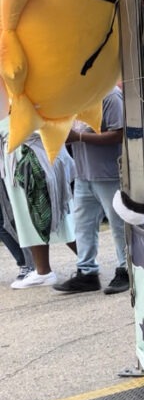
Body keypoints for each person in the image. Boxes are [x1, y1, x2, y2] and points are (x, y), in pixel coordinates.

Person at [53, 87, 129, 294]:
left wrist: (78, 138)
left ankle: (126, 269)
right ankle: (86, 272)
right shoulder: (78, 96)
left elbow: (120, 134)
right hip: (84, 174)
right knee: (83, 226)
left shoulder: (110, 96)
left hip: (109, 173)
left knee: (119, 225)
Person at [3, 119, 77, 289]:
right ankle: (43, 271)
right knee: (27, 217)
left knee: (57, 213)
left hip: (33, 151)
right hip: (16, 152)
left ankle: (88, 262)